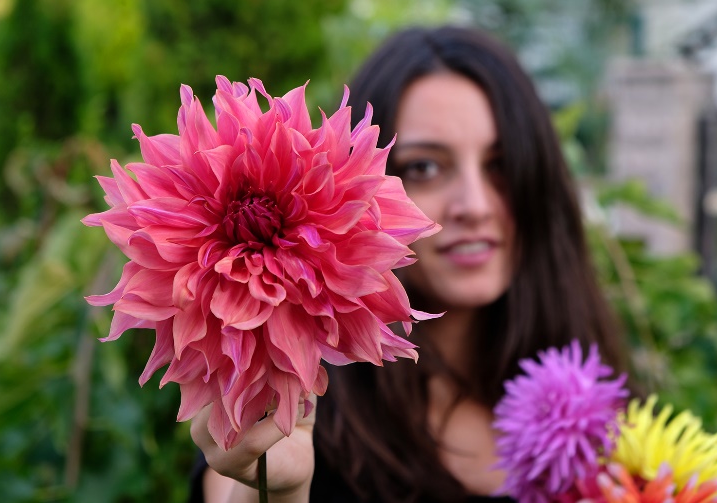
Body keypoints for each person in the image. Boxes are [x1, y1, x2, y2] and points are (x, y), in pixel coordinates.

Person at [188, 25, 626, 503]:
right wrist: (280, 492)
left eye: (499, 165)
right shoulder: (299, 414)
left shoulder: (599, 401)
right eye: (425, 167)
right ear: (352, 187)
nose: (475, 206)